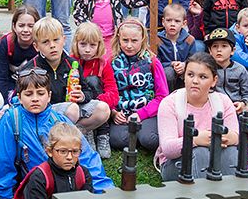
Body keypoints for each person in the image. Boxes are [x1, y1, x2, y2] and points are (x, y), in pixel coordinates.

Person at [0, 69, 113, 199]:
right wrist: (5, 193)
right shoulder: (12, 119)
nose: (35, 99)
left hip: (64, 181)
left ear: (49, 96)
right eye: (29, 94)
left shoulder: (58, 120)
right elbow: (3, 158)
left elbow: (86, 156)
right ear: (19, 97)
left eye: (40, 93)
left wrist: (104, 189)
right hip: (35, 184)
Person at [156, 51, 240, 181]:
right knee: (200, 152)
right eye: (190, 75)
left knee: (231, 151)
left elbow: (235, 137)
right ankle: (203, 193)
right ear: (184, 77)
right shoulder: (169, 103)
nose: (195, 81)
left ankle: (231, 191)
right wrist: (195, 140)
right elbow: (168, 149)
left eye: (203, 77)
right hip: (177, 162)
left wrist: (217, 137)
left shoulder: (223, 101)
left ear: (214, 81)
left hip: (215, 155)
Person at [18, 17, 108, 134]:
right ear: (36, 46)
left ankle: (75, 133)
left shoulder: (72, 64)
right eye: (45, 42)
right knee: (72, 110)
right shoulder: (31, 69)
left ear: (64, 40)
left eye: (56, 40)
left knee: (103, 109)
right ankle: (55, 136)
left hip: (72, 110)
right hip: (45, 114)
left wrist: (82, 96)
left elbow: (88, 91)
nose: (52, 45)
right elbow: (22, 100)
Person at [109, 18, 168, 151]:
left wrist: (141, 114)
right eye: (125, 40)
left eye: (134, 41)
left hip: (147, 112)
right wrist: (113, 113)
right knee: (116, 140)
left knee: (149, 140)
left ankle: (141, 133)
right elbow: (107, 92)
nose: (129, 45)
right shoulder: (111, 62)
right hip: (122, 112)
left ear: (142, 40)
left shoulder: (152, 61)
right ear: (119, 39)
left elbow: (162, 96)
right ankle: (135, 134)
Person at [69, 22, 118, 159]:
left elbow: (113, 93)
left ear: (99, 45)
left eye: (92, 45)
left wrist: (95, 100)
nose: (87, 50)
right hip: (77, 106)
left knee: (93, 81)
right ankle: (87, 132)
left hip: (98, 106)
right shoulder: (70, 61)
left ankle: (103, 134)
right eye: (83, 44)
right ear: (76, 43)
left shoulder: (103, 64)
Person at [0, 5, 39, 103]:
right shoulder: (6, 43)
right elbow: (1, 76)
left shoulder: (41, 44)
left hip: (33, 88)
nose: (26, 30)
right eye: (21, 25)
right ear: (14, 26)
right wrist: (5, 102)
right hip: (10, 85)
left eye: (31, 26)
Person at [205, 28, 248, 115]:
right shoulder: (206, 69)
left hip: (235, 109)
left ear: (233, 51)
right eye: (215, 46)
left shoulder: (240, 70)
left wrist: (243, 103)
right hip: (213, 108)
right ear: (210, 51)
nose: (219, 50)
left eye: (224, 46)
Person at [157, 3, 198, 91]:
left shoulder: (189, 40)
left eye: (177, 21)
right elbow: (156, 62)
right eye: (169, 20)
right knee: (168, 73)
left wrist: (184, 65)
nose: (172, 24)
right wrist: (171, 64)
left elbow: (194, 60)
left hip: (185, 71)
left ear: (184, 23)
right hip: (167, 73)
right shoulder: (157, 40)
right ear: (163, 22)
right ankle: (167, 96)